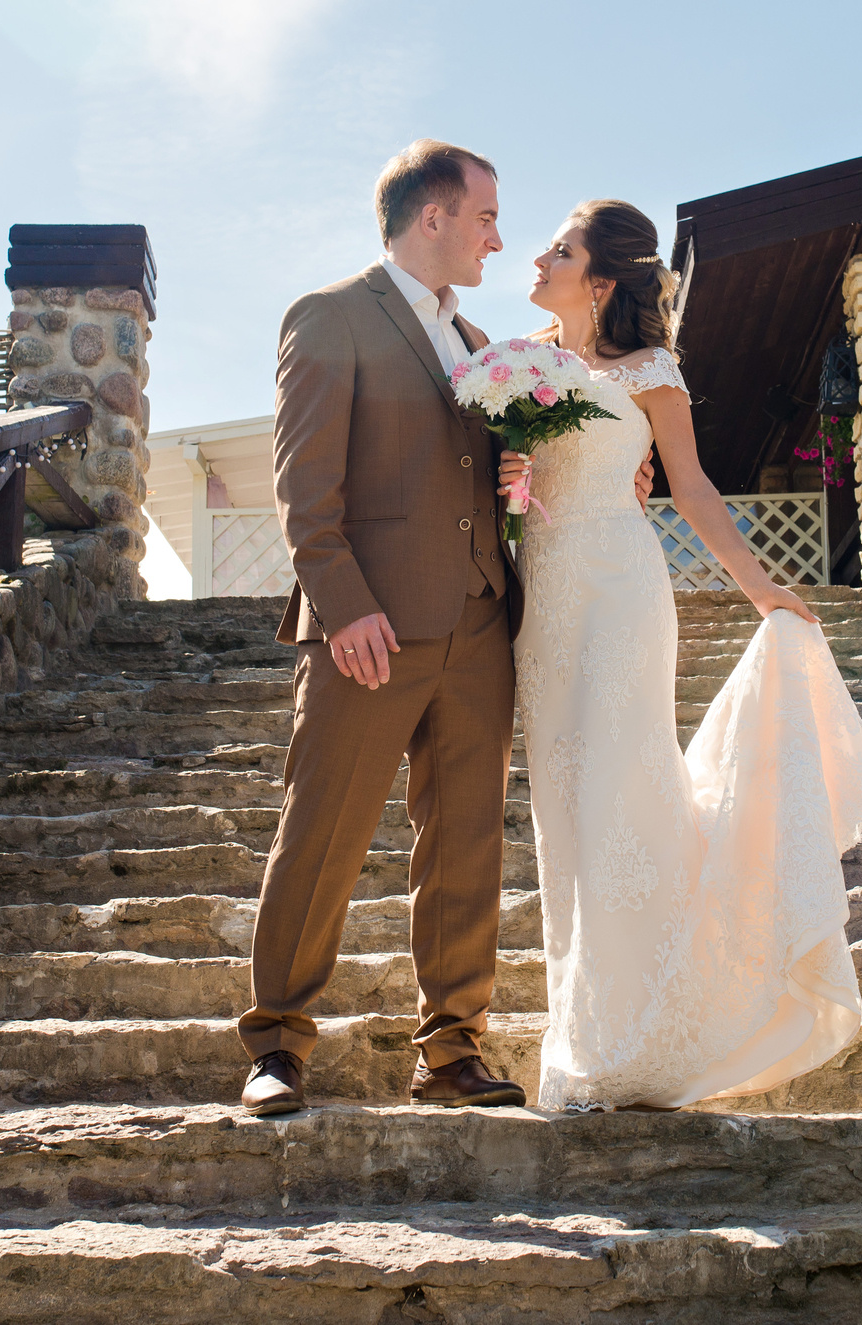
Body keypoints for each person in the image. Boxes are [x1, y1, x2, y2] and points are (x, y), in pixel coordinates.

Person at [506, 199, 862, 1110]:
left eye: (558, 248)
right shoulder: (513, 366)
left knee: (624, 792)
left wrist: (763, 589)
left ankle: (655, 1025)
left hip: (622, 594)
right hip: (544, 604)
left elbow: (693, 485)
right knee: (564, 808)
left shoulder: (650, 370)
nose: (539, 255)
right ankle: (591, 1028)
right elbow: (504, 480)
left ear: (599, 280)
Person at [238, 139, 526, 1115]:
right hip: (369, 628)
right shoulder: (328, 318)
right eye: (485, 215)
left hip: (481, 624)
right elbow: (302, 487)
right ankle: (276, 1041)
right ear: (432, 216)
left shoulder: (481, 342)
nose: (497, 235)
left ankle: (452, 1050)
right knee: (322, 830)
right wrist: (344, 602)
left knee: (467, 842)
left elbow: (472, 480)